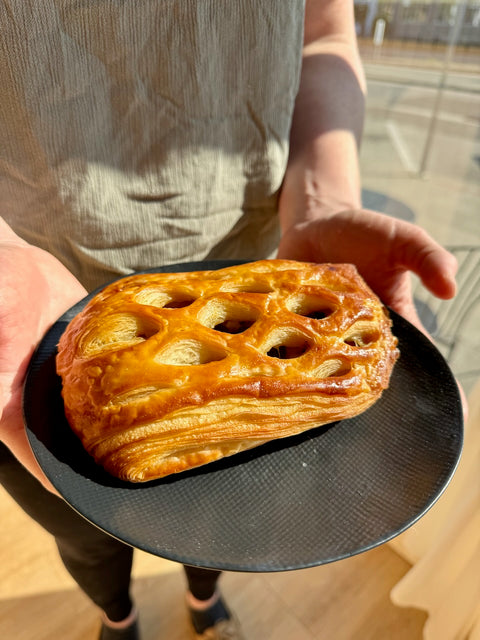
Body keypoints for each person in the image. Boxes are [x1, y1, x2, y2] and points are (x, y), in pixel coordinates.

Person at [0, 2, 460, 639]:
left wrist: (322, 199)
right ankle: (117, 612)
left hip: (265, 259)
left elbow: (322, 33)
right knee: (83, 536)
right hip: (29, 304)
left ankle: (200, 596)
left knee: (217, 525)